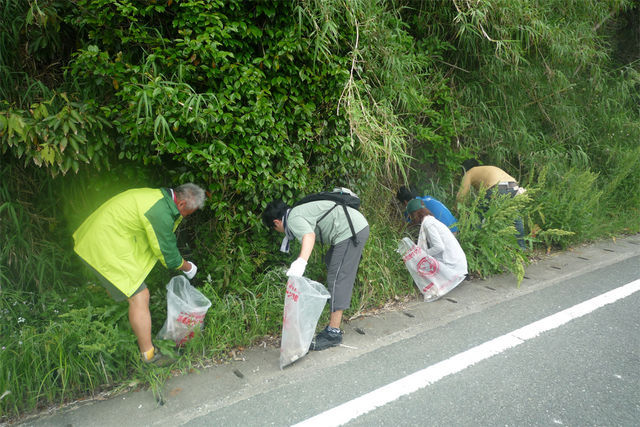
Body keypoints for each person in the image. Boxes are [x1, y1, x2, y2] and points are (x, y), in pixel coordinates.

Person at [73, 183, 206, 365]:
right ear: (182, 204)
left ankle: (117, 329)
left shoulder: (159, 199)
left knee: (129, 289)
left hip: (105, 238)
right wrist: (188, 267)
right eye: (190, 212)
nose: (188, 216)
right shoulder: (159, 212)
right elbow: (169, 256)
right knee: (139, 295)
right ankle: (149, 356)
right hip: (103, 244)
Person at [262, 194, 369, 351]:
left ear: (276, 222)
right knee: (332, 262)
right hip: (353, 226)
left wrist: (301, 262)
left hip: (350, 230)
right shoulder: (296, 212)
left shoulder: (292, 219)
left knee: (337, 277)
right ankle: (336, 302)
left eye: (275, 228)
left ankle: (333, 333)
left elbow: (309, 236)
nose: (278, 231)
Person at [457, 159, 527, 250]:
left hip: (497, 188)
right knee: (515, 217)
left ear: (464, 169)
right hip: (513, 187)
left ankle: (471, 245)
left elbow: (461, 196)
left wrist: (460, 210)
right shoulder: (486, 169)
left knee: (476, 217)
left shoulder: (469, 172)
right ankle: (521, 248)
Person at [406, 199, 467, 295]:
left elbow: (439, 247)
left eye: (411, 216)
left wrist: (422, 254)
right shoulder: (431, 220)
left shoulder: (428, 224)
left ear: (415, 214)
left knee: (423, 261)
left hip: (454, 265)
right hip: (458, 261)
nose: (411, 219)